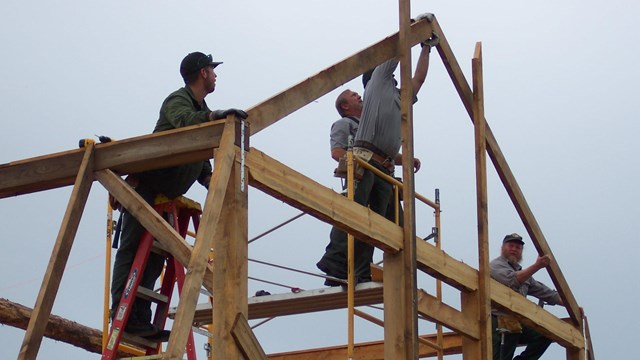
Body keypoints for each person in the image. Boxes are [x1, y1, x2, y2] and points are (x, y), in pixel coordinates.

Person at [110, 51, 248, 338]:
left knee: (155, 259)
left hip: (165, 195)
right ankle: (120, 315)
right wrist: (214, 117)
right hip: (146, 188)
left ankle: (140, 319)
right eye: (212, 69)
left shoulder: (200, 108)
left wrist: (215, 181)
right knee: (133, 250)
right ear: (202, 73)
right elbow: (186, 123)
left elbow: (200, 157)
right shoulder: (179, 101)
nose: (216, 75)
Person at [316, 14, 436, 286]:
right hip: (365, 158)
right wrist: (415, 29)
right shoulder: (377, 82)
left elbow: (417, 80)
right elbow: (397, 47)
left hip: (383, 166)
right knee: (356, 213)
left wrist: (427, 48)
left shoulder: (396, 97)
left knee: (378, 224)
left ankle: (360, 269)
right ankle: (335, 264)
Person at [490, 233, 565, 360]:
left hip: (516, 321)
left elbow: (546, 292)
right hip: (496, 320)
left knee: (545, 334)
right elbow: (512, 280)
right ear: (503, 248)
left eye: (518, 247)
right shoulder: (495, 265)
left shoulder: (524, 275)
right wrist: (537, 266)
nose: (514, 249)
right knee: (499, 357)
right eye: (511, 246)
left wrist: (570, 306)